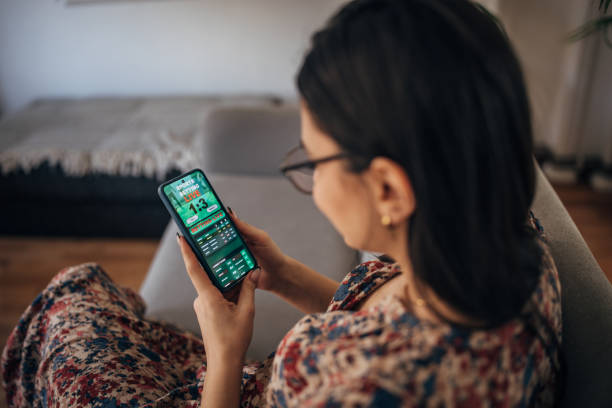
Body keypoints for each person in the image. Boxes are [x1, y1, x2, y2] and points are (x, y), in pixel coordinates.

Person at [1, 0, 563, 406]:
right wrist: (286, 275)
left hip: (232, 387)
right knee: (85, 302)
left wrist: (224, 352)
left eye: (313, 162)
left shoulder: (335, 374)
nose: (312, 182)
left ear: (389, 189)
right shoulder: (519, 248)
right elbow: (378, 316)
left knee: (71, 298)